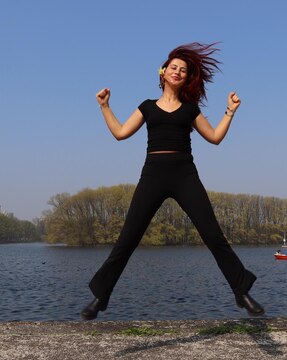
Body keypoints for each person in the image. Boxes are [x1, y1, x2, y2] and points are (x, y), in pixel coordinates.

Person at [81, 42, 264, 320]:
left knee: (213, 234)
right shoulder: (147, 106)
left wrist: (230, 112)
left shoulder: (190, 110)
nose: (178, 72)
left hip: (184, 174)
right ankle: (101, 296)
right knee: (128, 238)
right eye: (174, 68)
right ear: (163, 72)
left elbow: (214, 137)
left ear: (187, 78)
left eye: (183, 70)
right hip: (153, 173)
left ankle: (241, 291)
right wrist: (105, 106)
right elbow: (120, 133)